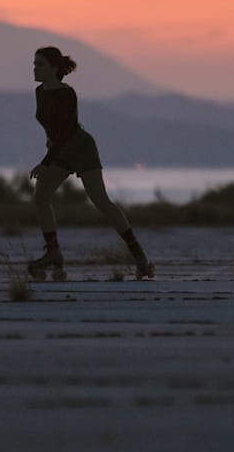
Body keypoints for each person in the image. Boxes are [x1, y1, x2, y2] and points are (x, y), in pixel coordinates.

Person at [27, 46, 154, 281]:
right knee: (41, 196)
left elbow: (67, 130)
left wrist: (45, 162)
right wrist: (49, 142)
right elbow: (51, 126)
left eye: (40, 64)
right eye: (34, 64)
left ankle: (141, 259)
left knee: (100, 200)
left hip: (80, 147)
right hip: (59, 150)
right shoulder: (39, 92)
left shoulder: (67, 94)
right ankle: (53, 253)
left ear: (55, 69)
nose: (35, 68)